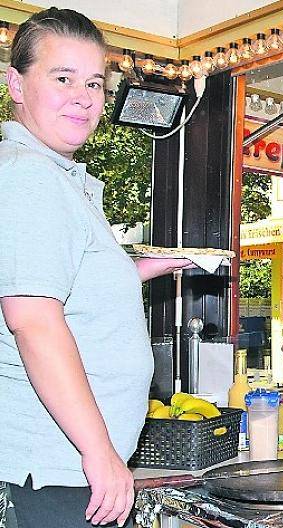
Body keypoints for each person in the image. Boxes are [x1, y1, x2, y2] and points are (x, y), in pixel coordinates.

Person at [0, 8, 194, 527]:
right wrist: (99, 452)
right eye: (62, 78)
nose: (83, 98)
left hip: (70, 470)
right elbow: (33, 319)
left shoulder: (61, 179)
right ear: (15, 84)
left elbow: (67, 290)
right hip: (56, 470)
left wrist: (143, 269)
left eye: (94, 83)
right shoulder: (30, 177)